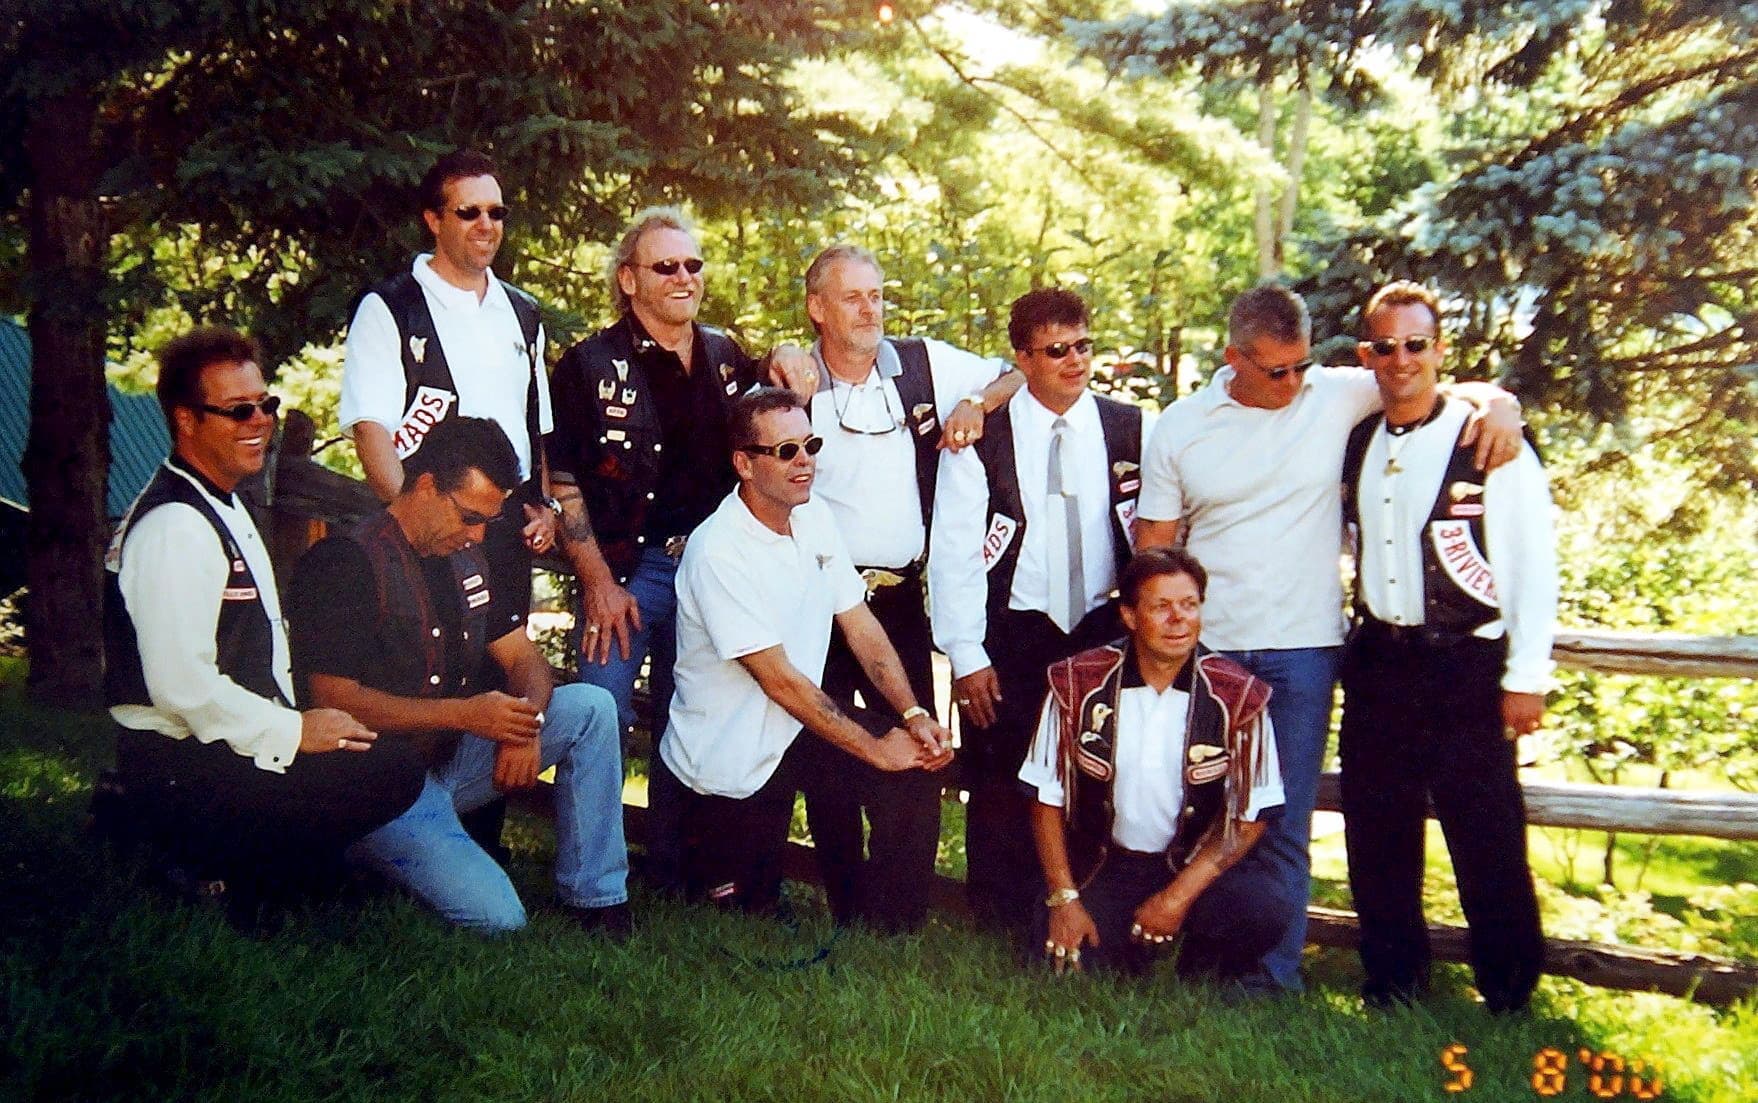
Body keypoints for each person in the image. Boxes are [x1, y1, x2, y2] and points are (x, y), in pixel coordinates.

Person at [1133, 283, 1525, 992]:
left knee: (1282, 821)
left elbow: (1419, 375)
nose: (1292, 383)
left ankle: (1271, 977)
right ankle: (1203, 958)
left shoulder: (1335, 394)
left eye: (1302, 366)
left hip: (1305, 650)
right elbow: (1155, 548)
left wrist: (1501, 403)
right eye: (1275, 370)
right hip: (1211, 649)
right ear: (1234, 359)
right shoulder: (1181, 426)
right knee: (1204, 809)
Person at [104, 327, 425, 921]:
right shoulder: (176, 525)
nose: (259, 422)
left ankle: (282, 868)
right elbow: (180, 688)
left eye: (266, 404)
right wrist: (295, 730)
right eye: (238, 410)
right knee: (389, 770)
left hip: (221, 743)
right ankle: (209, 864)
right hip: (178, 763)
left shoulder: (221, 500)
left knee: (383, 757)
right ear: (186, 420)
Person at [547, 207, 809, 891]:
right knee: (599, 712)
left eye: (693, 264)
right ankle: (591, 885)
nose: (684, 276)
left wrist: (787, 352)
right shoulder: (587, 364)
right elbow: (563, 481)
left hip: (710, 569)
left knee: (691, 715)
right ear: (628, 279)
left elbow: (777, 404)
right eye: (666, 266)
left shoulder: (725, 356)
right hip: (627, 572)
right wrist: (598, 583)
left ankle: (677, 869)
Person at [287, 417, 629, 935]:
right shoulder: (347, 559)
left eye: (487, 521)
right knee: (500, 919)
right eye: (470, 517)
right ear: (426, 486)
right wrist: (467, 715)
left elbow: (523, 658)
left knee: (591, 707)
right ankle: (361, 856)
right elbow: (332, 699)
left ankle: (597, 900)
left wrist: (525, 723)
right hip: (377, 783)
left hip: (449, 761)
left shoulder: (466, 557)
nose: (478, 535)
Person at [1339, 281, 1555, 1012]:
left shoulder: (1488, 439)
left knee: (1485, 830)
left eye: (1416, 344)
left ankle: (1509, 988)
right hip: (1379, 662)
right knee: (1377, 832)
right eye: (1386, 346)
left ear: (1439, 349)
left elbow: (1532, 560)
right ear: (1367, 354)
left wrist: (1527, 674)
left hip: (1465, 663)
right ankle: (1393, 983)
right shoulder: (1360, 438)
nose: (1401, 359)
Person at [794, 243, 1019, 932]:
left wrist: (975, 402)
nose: (871, 309)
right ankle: (845, 906)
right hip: (817, 601)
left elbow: (1016, 372)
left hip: (896, 599)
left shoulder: (922, 364)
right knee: (829, 755)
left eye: (877, 295)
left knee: (921, 745)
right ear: (817, 308)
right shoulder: (795, 380)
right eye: (853, 297)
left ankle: (902, 916)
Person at [660, 388, 954, 914]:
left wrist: (911, 715)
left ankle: (889, 929)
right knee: (746, 914)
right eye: (786, 451)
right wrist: (874, 747)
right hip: (730, 758)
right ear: (744, 464)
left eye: (811, 445)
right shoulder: (717, 551)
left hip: (794, 727)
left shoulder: (813, 515)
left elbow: (860, 624)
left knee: (912, 768)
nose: (805, 462)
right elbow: (777, 680)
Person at [930, 288, 1150, 941]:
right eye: (1056, 350)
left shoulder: (1130, 428)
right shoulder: (982, 437)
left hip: (1101, 626)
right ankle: (999, 923)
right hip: (1015, 629)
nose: (1075, 360)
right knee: (1002, 778)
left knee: (1096, 773)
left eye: (1083, 346)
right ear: (1022, 359)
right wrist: (966, 654)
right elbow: (955, 551)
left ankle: (1089, 915)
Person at [1023, 548, 1294, 982]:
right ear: (1129, 616)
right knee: (1064, 965)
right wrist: (1064, 898)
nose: (1178, 619)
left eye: (1189, 605)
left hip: (1193, 864)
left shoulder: (1239, 694)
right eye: (1161, 606)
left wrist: (1175, 898)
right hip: (1104, 862)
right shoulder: (1077, 682)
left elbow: (1251, 817)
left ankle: (1199, 967)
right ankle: (1133, 948)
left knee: (1262, 907)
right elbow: (1044, 797)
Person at [339, 147, 559, 635]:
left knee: (505, 665)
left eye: (496, 213)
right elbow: (371, 433)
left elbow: (536, 427)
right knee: (432, 668)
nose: (486, 225)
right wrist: (412, 530)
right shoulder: (391, 308)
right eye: (469, 212)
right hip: (430, 536)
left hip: (505, 534)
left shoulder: (523, 313)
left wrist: (546, 508)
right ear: (433, 220)